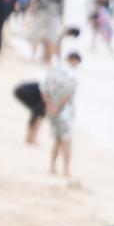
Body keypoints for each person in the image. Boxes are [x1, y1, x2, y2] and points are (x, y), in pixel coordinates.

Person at [42, 49, 82, 178]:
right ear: (74, 61)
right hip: (64, 111)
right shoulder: (72, 75)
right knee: (66, 141)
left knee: (57, 140)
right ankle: (66, 169)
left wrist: (49, 105)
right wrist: (57, 106)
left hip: (51, 110)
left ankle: (52, 166)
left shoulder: (53, 71)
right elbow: (69, 93)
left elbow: (44, 89)